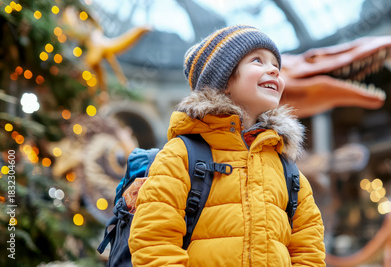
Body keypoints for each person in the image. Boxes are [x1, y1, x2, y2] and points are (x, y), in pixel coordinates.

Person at [129, 25, 325, 266]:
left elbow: (309, 249)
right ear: (223, 80)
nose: (274, 69)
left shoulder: (287, 169)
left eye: (276, 64)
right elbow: (154, 243)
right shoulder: (180, 156)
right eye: (257, 60)